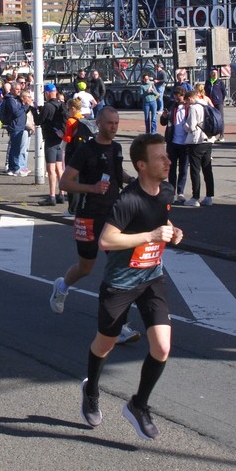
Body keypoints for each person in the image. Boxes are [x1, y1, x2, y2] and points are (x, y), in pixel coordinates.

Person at [79, 133, 184, 440]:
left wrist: (172, 231)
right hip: (120, 283)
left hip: (152, 277)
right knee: (105, 344)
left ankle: (138, 405)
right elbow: (106, 240)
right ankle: (91, 390)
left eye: (166, 155)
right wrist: (151, 236)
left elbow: (159, 222)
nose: (167, 161)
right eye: (160, 157)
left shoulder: (166, 191)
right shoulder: (128, 200)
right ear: (141, 165)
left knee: (162, 347)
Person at [50, 105, 141, 345]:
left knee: (120, 268)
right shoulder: (86, 150)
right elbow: (65, 182)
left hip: (113, 216)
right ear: (99, 123)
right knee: (86, 268)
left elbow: (117, 173)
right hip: (88, 215)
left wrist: (134, 180)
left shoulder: (117, 148)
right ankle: (62, 286)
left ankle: (118, 326)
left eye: (117, 123)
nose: (114, 127)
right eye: (110, 123)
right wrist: (92, 188)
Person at [182, 84, 216, 206]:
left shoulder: (194, 108)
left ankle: (195, 197)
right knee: (207, 169)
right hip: (209, 139)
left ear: (190, 99)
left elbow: (191, 126)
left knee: (195, 170)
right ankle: (209, 196)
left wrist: (184, 126)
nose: (187, 104)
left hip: (196, 141)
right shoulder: (206, 104)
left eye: (187, 102)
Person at [38, 84, 67, 204]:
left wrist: (34, 111)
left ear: (47, 93)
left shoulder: (47, 106)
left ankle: (52, 196)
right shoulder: (61, 104)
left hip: (50, 140)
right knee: (59, 168)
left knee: (51, 169)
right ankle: (62, 194)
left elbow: (38, 121)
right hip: (60, 139)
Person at [0, 79, 29, 176]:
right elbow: (16, 113)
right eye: (17, 89)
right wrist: (25, 107)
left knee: (15, 148)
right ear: (12, 90)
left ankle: (13, 167)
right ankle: (14, 168)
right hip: (15, 126)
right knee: (15, 148)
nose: (19, 91)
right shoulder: (11, 100)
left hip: (18, 125)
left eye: (20, 89)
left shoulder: (16, 99)